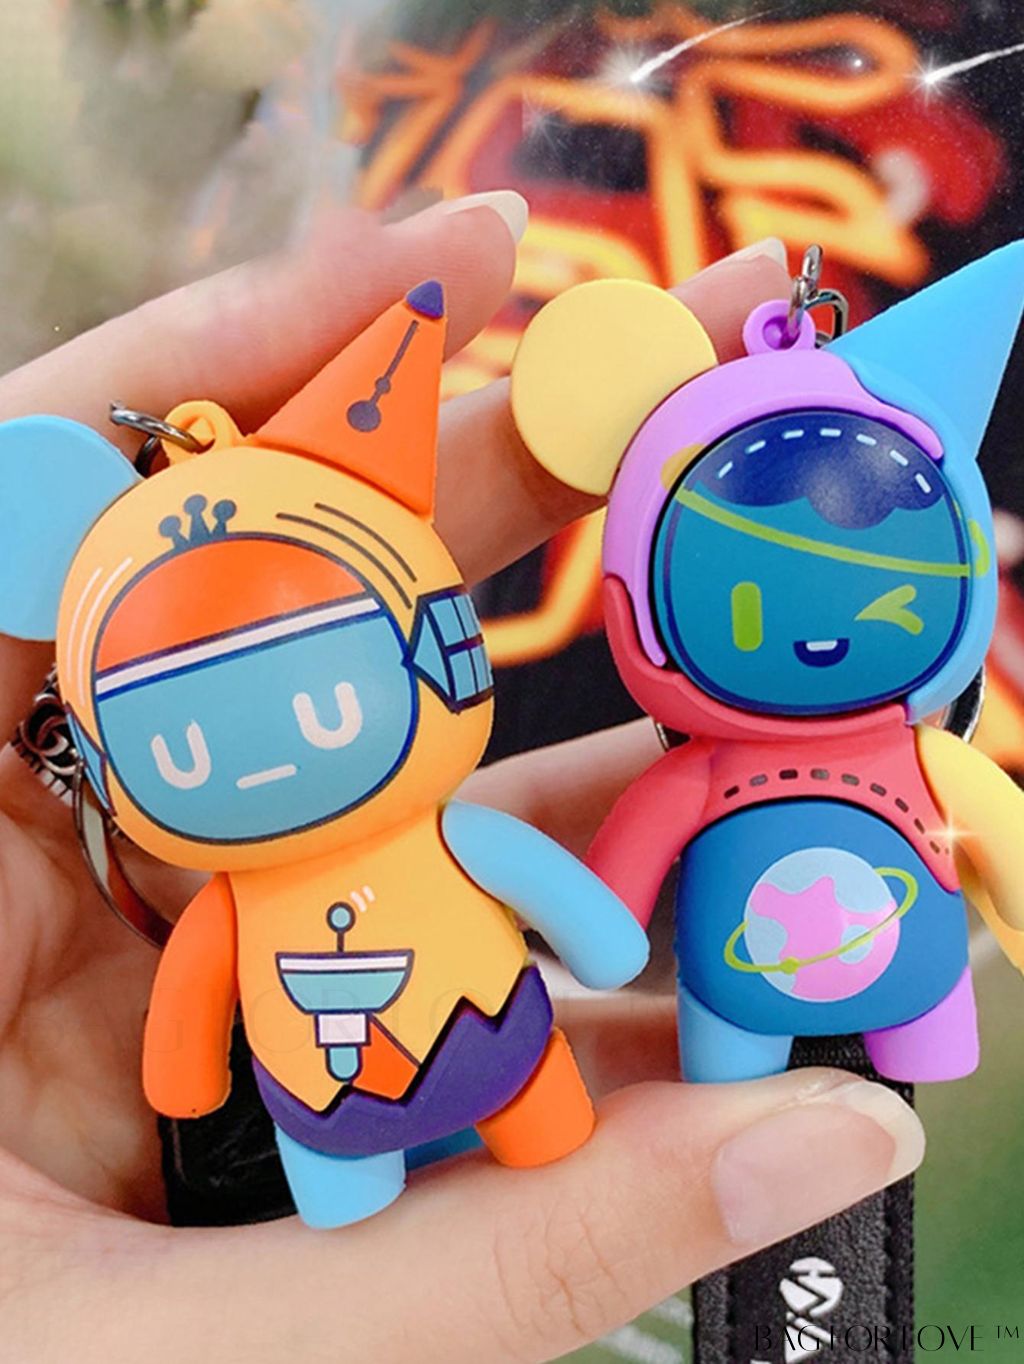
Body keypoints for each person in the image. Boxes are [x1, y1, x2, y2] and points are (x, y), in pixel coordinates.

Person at [0, 191, 923, 1363]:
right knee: (358, 1186)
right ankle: (361, 1180)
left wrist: (602, 934)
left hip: (481, 1038)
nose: (275, 751)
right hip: (335, 1089)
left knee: (532, 1116)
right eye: (180, 747)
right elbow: (194, 990)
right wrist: (180, 1070)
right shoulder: (245, 894)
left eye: (330, 699)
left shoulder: (421, 843)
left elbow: (545, 890)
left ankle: (420, 1156)